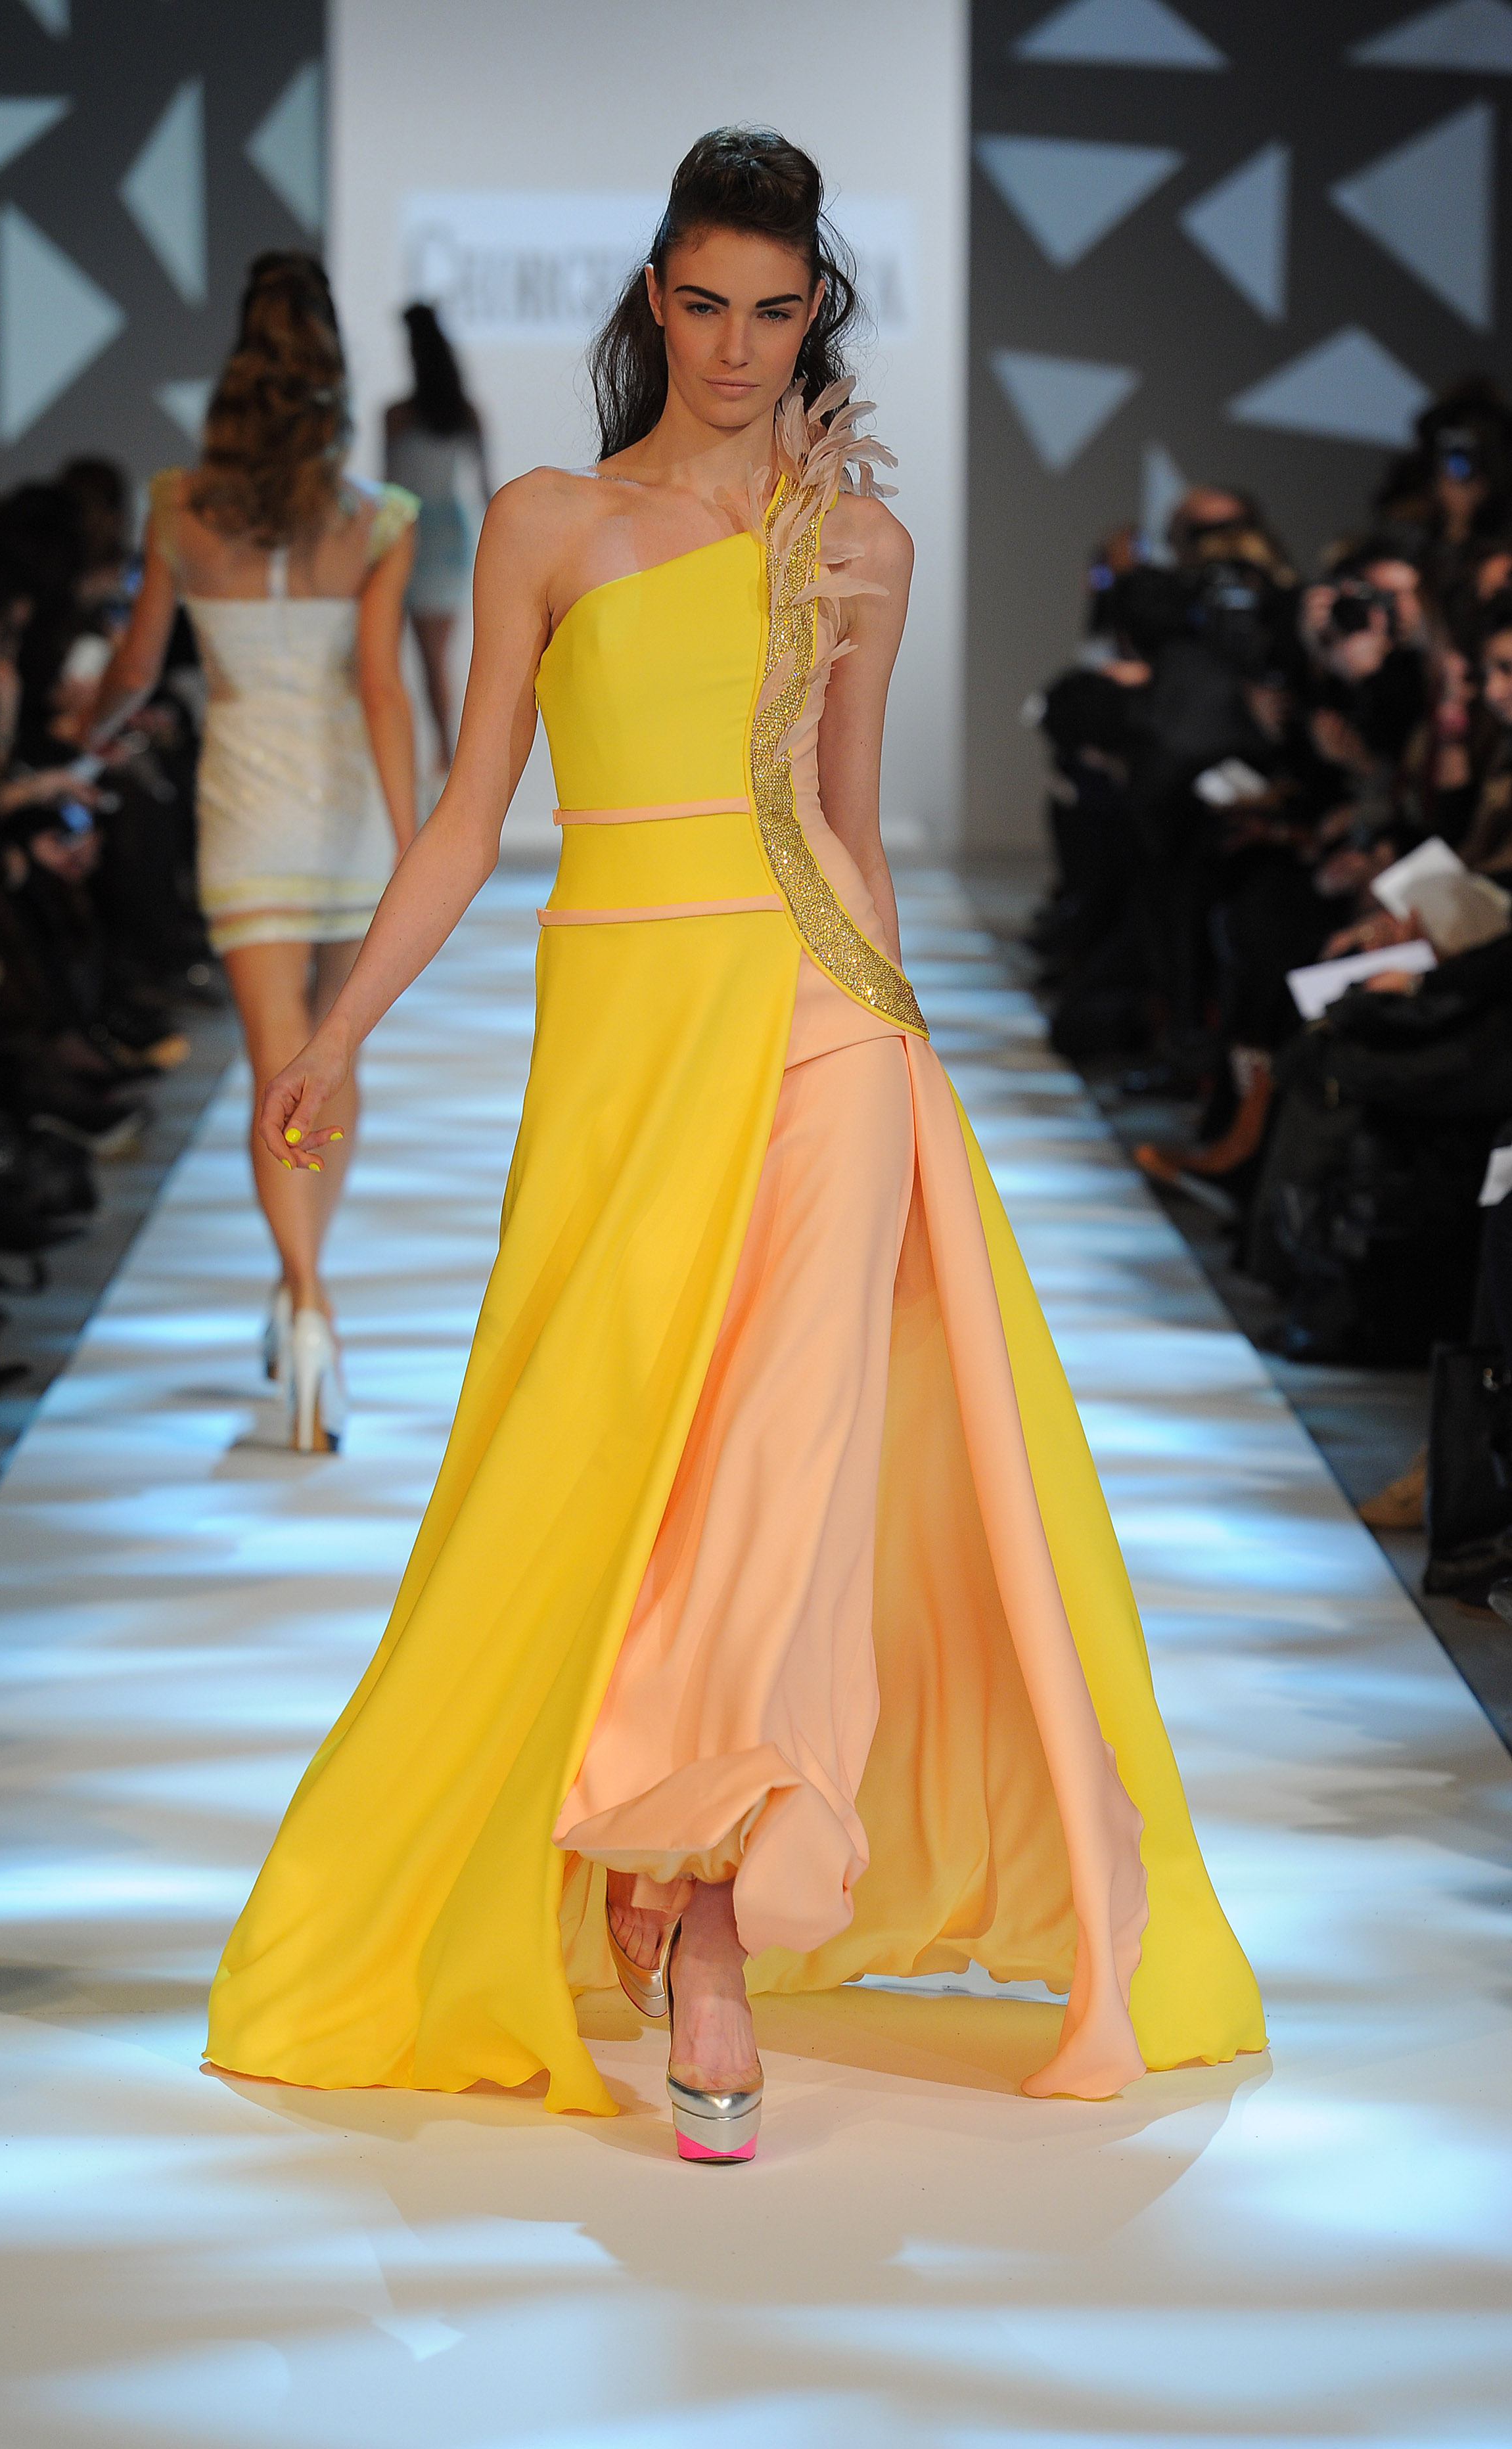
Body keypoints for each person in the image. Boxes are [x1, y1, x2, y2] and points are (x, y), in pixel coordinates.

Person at [206, 131, 1264, 2161]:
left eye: (775, 311)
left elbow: (847, 825)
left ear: (815, 317)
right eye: (703, 303)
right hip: (625, 1025)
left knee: (791, 1461)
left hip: (823, 1022)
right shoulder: (547, 521)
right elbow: (467, 817)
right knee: (611, 1445)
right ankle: (645, 1825)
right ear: (651, 302)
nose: (736, 344)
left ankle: (708, 1919)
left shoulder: (858, 542)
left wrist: (904, 1043)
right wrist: (338, 1026)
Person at [90, 253, 419, 1449]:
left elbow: (138, 665)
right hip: (346, 808)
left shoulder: (177, 505)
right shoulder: (379, 519)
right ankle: (310, 1291)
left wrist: (84, 730)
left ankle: (304, 1293)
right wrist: (417, 836)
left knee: (275, 1054)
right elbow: (380, 688)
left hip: (242, 806)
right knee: (330, 1056)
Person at [384, 302, 490, 773]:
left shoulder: (398, 416)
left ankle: (445, 759)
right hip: (443, 533)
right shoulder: (462, 412)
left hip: (414, 534)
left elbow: (388, 488)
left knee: (427, 658)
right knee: (433, 659)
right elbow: (486, 489)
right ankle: (444, 758)